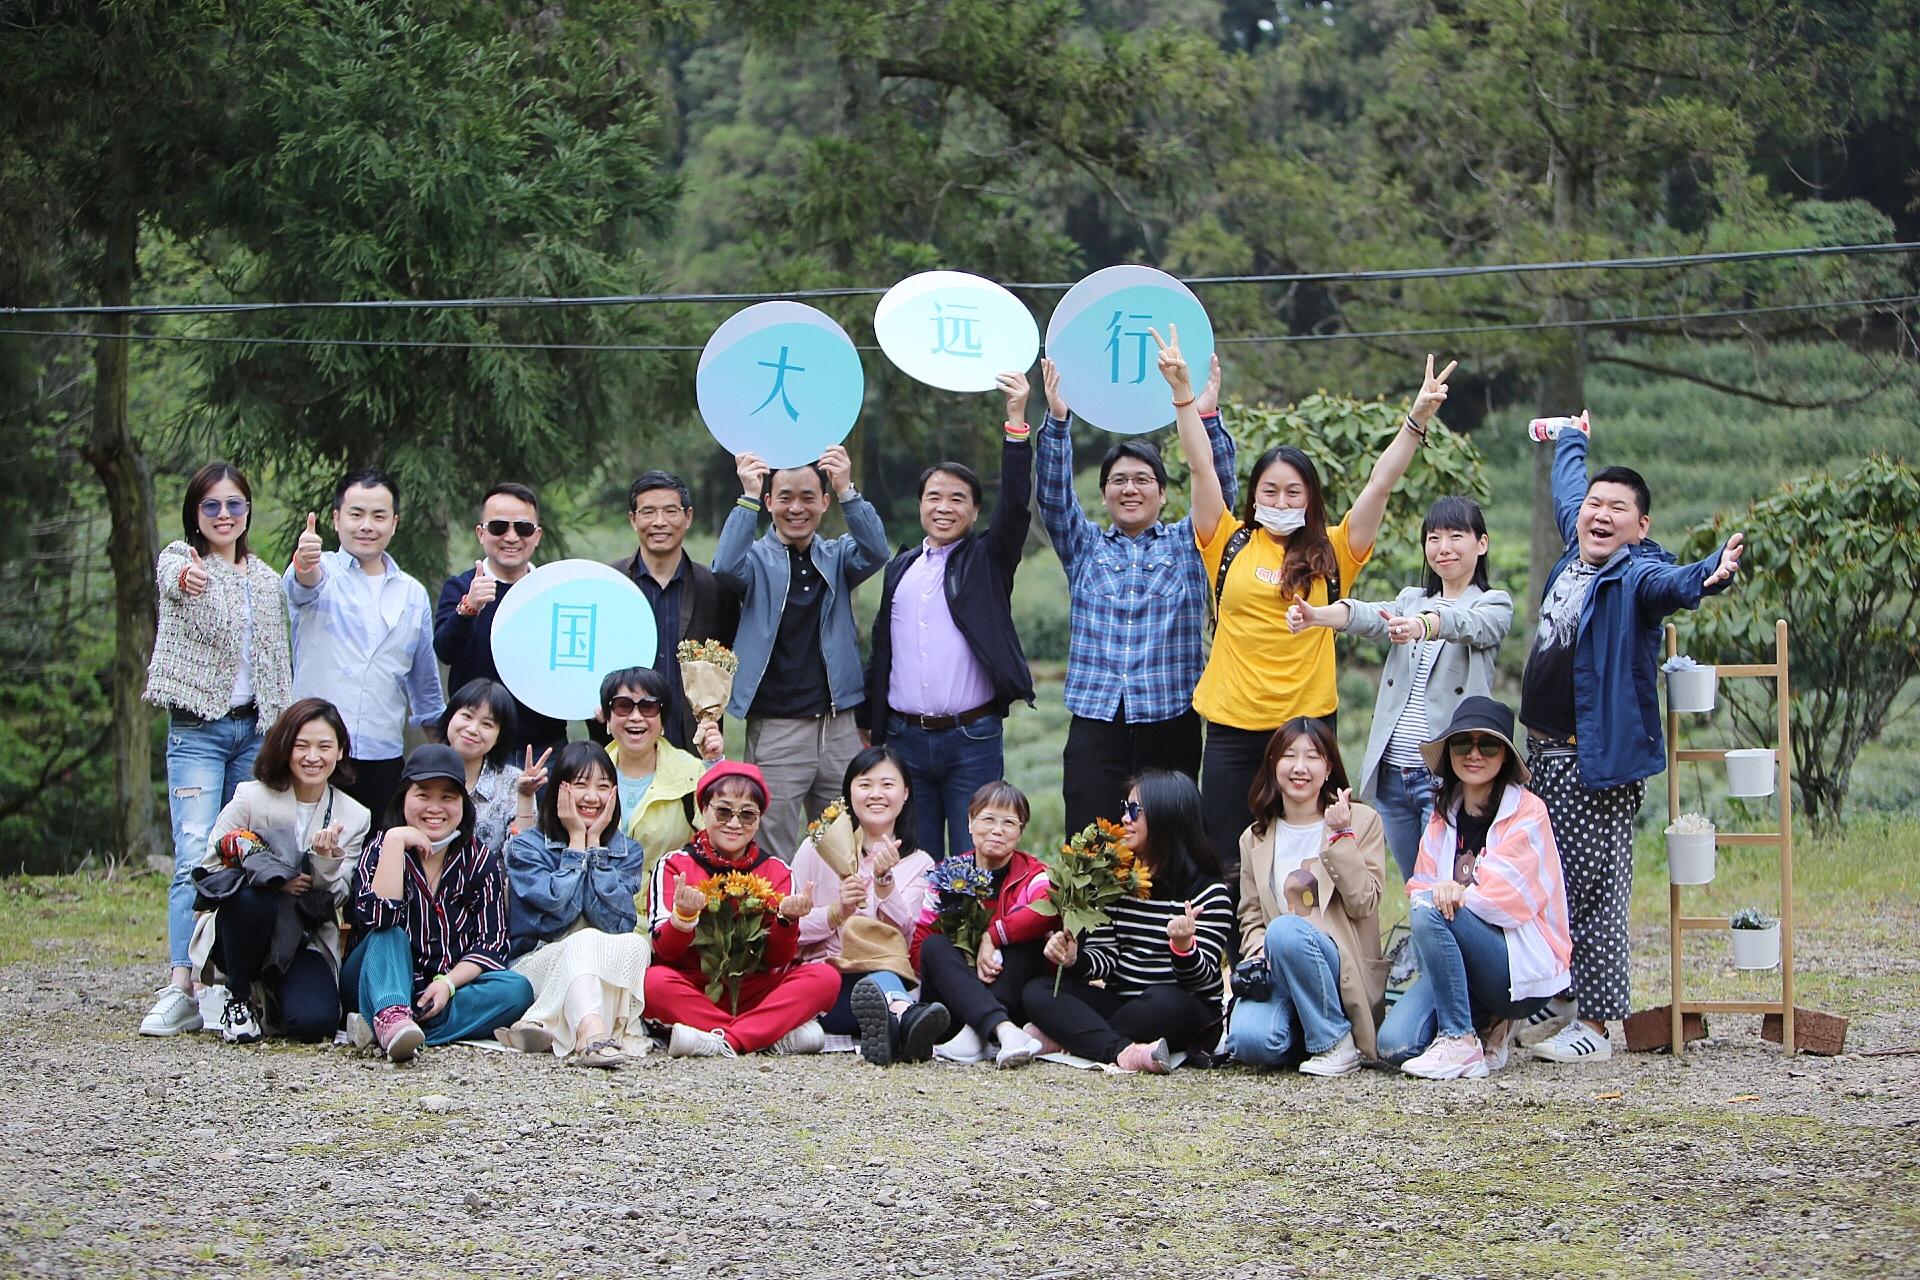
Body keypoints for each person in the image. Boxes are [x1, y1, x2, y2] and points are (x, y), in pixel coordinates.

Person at [1173, 333, 1455, 883]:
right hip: (1232, 726)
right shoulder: (1225, 540)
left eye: (1294, 493)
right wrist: (1184, 397)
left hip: (1306, 729)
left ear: (1311, 500)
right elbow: (1201, 469)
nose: (1281, 502)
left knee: (1308, 861)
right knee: (1227, 863)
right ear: (1253, 496)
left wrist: (1415, 420)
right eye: (1270, 492)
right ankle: (1235, 962)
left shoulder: (1332, 550)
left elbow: (1380, 482)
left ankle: (1309, 962)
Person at [1516, 423, 1745, 1064]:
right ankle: (1560, 995)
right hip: (1544, 754)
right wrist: (1570, 441)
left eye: (1618, 508)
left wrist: (1711, 574)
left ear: (1641, 527)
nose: (1600, 514)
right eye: (1596, 504)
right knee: (1551, 881)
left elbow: (1673, 586)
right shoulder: (1574, 544)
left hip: (1597, 760)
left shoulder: (1637, 575)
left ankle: (1595, 1022)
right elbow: (1567, 491)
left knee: (1597, 888)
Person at [1035, 354, 1235, 834]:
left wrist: (1206, 416)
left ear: (1163, 493)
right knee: (1090, 844)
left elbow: (1218, 487)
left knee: (1170, 845)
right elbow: (1053, 496)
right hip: (1096, 724)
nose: (1130, 489)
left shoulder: (1189, 545)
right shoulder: (1083, 547)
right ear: (1103, 494)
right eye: (1118, 481)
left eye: (1143, 479)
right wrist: (1058, 421)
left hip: (1170, 720)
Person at [140, 462, 295, 1037]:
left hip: (253, 731)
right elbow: (173, 578)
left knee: (245, 854)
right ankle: (182, 984)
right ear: (195, 513)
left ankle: (235, 983)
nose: (224, 515)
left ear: (248, 512)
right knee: (193, 855)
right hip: (198, 732)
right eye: (212, 505)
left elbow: (276, 658)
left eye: (234, 505)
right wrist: (189, 580)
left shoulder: (264, 578)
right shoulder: (181, 560)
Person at [1286, 495, 1512, 877]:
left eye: (1456, 536)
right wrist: (1316, 616)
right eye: (1434, 538)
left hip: (1442, 773)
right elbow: (1368, 614)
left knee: (1447, 880)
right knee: (1414, 881)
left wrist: (1422, 625)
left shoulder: (1493, 604)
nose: (1444, 548)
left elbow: (1467, 625)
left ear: (1482, 543)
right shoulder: (1412, 600)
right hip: (1393, 773)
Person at [863, 373, 1037, 856]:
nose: (944, 507)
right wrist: (871, 726)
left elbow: (1016, 507)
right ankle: (918, 937)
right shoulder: (901, 568)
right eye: (934, 497)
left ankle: (967, 936)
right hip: (904, 738)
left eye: (957, 499)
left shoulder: (986, 560)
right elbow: (883, 650)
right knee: (912, 858)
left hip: (971, 738)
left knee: (972, 857)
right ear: (919, 505)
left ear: (976, 512)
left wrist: (1017, 425)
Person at [1375, 698, 1572, 1079]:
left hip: (1516, 965)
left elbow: (1511, 900)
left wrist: (1454, 894)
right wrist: (1443, 895)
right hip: (1460, 965)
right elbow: (1419, 884)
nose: (1474, 755)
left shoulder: (1528, 812)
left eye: (1489, 745)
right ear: (1450, 753)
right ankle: (1485, 1026)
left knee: (1432, 907)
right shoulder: (1442, 814)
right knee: (1395, 1045)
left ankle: (1461, 1038)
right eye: (1463, 744)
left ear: (1505, 757)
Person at [714, 445, 889, 860]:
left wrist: (848, 489)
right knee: (770, 839)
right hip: (777, 728)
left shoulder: (837, 556)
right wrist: (747, 496)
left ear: (824, 503)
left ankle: (841, 924)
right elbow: (724, 567)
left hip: (838, 725)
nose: (797, 508)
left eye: (809, 497)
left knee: (845, 841)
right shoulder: (756, 560)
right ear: (770, 502)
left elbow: (877, 551)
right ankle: (777, 922)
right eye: (785, 497)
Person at [1021, 770, 1234, 1073]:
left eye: (1135, 810)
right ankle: (1121, 1051)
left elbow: (1201, 981)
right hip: (1123, 1001)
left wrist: (1184, 946)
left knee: (1163, 1002)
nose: (1125, 819)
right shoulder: (1117, 879)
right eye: (1124, 808)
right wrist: (1075, 959)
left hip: (1184, 1009)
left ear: (1166, 817)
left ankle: (1073, 1036)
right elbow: (1106, 959)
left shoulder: (1208, 891)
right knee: (1039, 991)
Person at [188, 698, 371, 1044]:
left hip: (302, 937)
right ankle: (238, 996)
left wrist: (325, 861)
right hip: (242, 928)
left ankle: (270, 997)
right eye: (301, 745)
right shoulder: (251, 797)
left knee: (313, 1024)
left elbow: (339, 896)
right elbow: (208, 865)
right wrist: (271, 876)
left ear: (341, 752)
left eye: (324, 746)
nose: (312, 757)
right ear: (286, 747)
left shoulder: (355, 815)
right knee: (251, 897)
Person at [343, 745, 535, 1062]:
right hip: (374, 980)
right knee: (390, 934)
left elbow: (492, 942)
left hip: (441, 988)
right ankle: (390, 1017)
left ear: (463, 804)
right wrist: (395, 842)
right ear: (404, 798)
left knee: (516, 990)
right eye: (423, 795)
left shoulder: (478, 859)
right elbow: (376, 921)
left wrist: (447, 984)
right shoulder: (382, 848)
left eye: (447, 797)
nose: (435, 807)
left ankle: (397, 1030)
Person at [642, 761, 840, 1057]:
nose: (734, 823)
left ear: (759, 821)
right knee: (651, 983)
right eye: (723, 811)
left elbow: (778, 960)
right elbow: (665, 953)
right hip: (696, 988)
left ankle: (722, 1040)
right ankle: (766, 1036)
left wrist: (787, 921)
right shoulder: (675, 865)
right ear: (703, 810)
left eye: (747, 815)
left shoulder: (777, 871)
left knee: (825, 979)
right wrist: (683, 918)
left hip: (755, 989)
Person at [1223, 719, 1386, 1076]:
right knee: (1251, 1042)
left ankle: (1335, 1042)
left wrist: (1342, 836)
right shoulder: (1255, 837)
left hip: (1338, 967)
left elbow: (1364, 903)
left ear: (1328, 768)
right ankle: (1308, 1031)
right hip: (1280, 967)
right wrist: (1257, 951)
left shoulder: (1361, 820)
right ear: (1273, 765)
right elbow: (1250, 914)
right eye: (1288, 756)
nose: (1300, 767)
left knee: (1285, 929)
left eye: (1312, 757)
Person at [285, 468, 445, 819]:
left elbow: (425, 687)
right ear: (336, 518)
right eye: (356, 514)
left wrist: (446, 753)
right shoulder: (322, 570)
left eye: (378, 516)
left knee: (375, 859)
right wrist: (304, 561)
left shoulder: (412, 593)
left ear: (395, 522)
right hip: (314, 752)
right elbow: (302, 584)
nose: (367, 525)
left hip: (381, 751)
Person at [789, 746, 944, 1064]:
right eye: (865, 784)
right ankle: (903, 1022)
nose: (876, 794)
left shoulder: (919, 862)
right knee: (858, 989)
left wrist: (885, 881)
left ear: (905, 794)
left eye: (887, 785)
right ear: (849, 792)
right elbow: (790, 931)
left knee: (879, 980)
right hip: (825, 975)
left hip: (884, 973)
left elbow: (904, 937)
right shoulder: (816, 848)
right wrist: (836, 912)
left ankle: (895, 1021)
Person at [502, 743, 650, 1067]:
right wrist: (575, 846)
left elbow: (614, 924)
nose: (591, 798)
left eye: (602, 787)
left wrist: (594, 846)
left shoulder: (628, 851)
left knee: (635, 945)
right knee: (582, 940)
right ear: (559, 789)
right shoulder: (527, 847)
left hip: (596, 961)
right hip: (539, 960)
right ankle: (591, 1033)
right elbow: (557, 916)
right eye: (581, 785)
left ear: (614, 794)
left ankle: (548, 1026)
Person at [912, 781, 1052, 1068]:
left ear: (1020, 831)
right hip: (957, 1000)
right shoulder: (947, 875)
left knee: (1029, 941)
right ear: (969, 823)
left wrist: (993, 937)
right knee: (934, 944)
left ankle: (980, 1034)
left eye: (1009, 823)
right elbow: (918, 948)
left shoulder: (1033, 874)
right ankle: (1002, 1031)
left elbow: (1048, 911)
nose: (997, 830)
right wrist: (966, 962)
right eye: (988, 819)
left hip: (1010, 992)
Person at [433, 483, 568, 759]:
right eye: (498, 527)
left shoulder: (556, 591)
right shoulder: (461, 586)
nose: (511, 537)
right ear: (481, 533)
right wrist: (468, 609)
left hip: (544, 747)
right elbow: (445, 651)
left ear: (537, 535)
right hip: (475, 746)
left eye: (523, 528)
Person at [610, 470, 743, 750]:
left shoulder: (715, 588)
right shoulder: (611, 583)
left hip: (693, 740)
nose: (660, 522)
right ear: (633, 520)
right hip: (626, 738)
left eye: (671, 511)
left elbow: (729, 658)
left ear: (688, 517)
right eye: (648, 512)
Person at [598, 666, 722, 909]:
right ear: (607, 718)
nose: (635, 717)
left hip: (669, 914)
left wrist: (715, 765)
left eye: (648, 707)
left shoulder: (692, 773)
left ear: (663, 721)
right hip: (597, 913)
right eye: (623, 706)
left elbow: (723, 840)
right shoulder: (586, 773)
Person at [431, 678, 548, 856]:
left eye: (487, 724)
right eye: (467, 716)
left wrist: (525, 798)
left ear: (499, 736)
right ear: (450, 717)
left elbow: (521, 858)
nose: (472, 729)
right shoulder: (422, 770)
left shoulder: (513, 782)